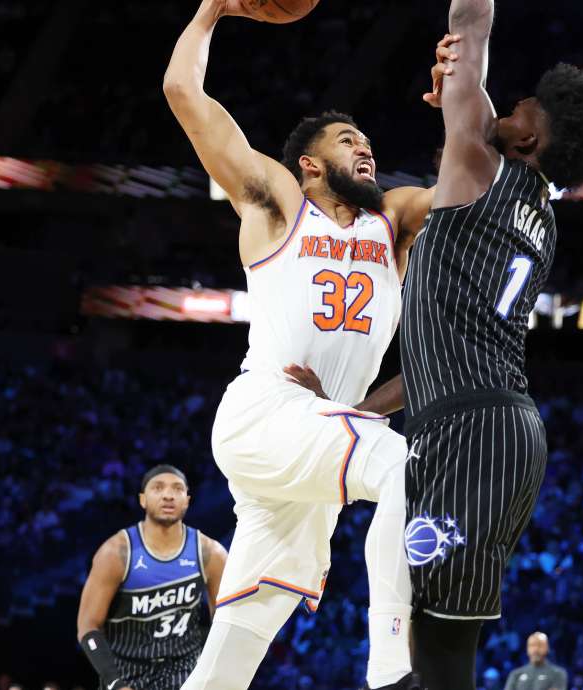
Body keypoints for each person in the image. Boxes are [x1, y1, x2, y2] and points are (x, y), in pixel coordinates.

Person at [162, 2, 444, 687]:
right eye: (349, 139)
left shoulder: (394, 221)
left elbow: (471, 193)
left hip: (316, 440)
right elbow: (182, 94)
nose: (365, 147)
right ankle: (393, 670)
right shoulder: (278, 203)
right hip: (266, 410)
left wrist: (461, 97)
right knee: (408, 468)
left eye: (367, 139)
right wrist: (210, 12)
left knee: (248, 629)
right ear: (312, 165)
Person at [394, 1, 583, 687]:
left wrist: (463, 86)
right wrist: (356, 410)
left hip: (474, 430)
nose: (505, 108)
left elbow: (471, 19)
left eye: (521, 110)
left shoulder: (480, 166)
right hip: (486, 424)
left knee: (438, 648)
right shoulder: (542, 220)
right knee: (425, 629)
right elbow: (436, 348)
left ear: (528, 144)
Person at [77, 466, 227, 690]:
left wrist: (212, 674)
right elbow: (88, 625)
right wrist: (115, 682)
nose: (168, 495)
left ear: (187, 500)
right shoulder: (116, 552)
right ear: (142, 499)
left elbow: (224, 622)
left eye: (177, 489)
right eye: (158, 488)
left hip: (184, 674)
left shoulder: (210, 552)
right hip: (126, 674)